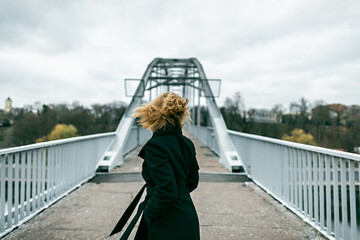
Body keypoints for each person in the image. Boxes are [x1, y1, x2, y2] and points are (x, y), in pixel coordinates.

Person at [132, 92, 200, 240]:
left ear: (154, 115)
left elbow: (166, 189)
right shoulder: (187, 143)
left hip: (166, 221)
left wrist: (149, 213)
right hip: (187, 215)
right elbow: (193, 181)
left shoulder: (156, 146)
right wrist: (180, 193)